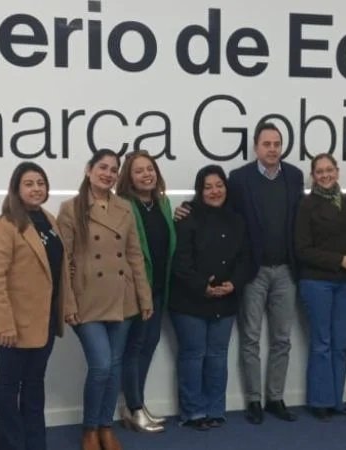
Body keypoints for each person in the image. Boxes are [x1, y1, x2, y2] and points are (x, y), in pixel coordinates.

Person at [57, 149, 153, 450]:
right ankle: (89, 429)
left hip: (122, 298)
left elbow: (134, 255)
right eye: (102, 167)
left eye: (113, 170)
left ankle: (105, 427)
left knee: (114, 365)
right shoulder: (71, 209)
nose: (108, 174)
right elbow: (64, 261)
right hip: (86, 300)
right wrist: (68, 303)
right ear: (89, 170)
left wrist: (144, 296)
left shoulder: (124, 208)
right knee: (100, 365)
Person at [0, 162, 73, 450]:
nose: (36, 188)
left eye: (41, 183)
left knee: (35, 383)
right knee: (10, 386)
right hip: (13, 325)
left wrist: (68, 306)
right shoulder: (4, 224)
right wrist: (3, 324)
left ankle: (36, 443)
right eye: (29, 183)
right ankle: (10, 444)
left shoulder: (48, 219)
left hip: (45, 320)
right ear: (16, 189)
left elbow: (60, 271)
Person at [229, 122, 304, 424]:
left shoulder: (294, 176)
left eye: (277, 144)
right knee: (250, 338)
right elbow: (224, 214)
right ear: (256, 147)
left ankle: (275, 398)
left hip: (285, 269)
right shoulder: (239, 178)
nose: (272, 149)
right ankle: (253, 400)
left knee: (282, 339)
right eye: (266, 144)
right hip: (253, 271)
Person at [170, 165, 250, 431]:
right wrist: (202, 287)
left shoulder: (237, 219)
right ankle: (192, 412)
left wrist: (233, 284)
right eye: (208, 187)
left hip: (225, 299)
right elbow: (180, 262)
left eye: (219, 185)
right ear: (199, 190)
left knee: (217, 355)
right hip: (190, 300)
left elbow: (245, 259)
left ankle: (216, 410)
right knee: (193, 355)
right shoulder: (186, 216)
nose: (215, 191)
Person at [116, 151, 176, 433]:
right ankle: (134, 407)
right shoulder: (123, 206)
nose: (146, 175)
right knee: (135, 348)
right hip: (136, 290)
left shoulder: (163, 203)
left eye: (149, 169)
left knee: (149, 345)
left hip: (160, 288)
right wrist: (141, 290)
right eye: (138, 171)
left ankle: (136, 404)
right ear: (129, 177)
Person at [294, 154, 346, 421]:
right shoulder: (306, 205)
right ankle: (320, 401)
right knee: (322, 343)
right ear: (313, 176)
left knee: (341, 344)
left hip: (345, 282)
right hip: (316, 281)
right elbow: (302, 249)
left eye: (329, 170)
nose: (325, 175)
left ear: (337, 171)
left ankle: (337, 401)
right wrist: (339, 260)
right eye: (319, 171)